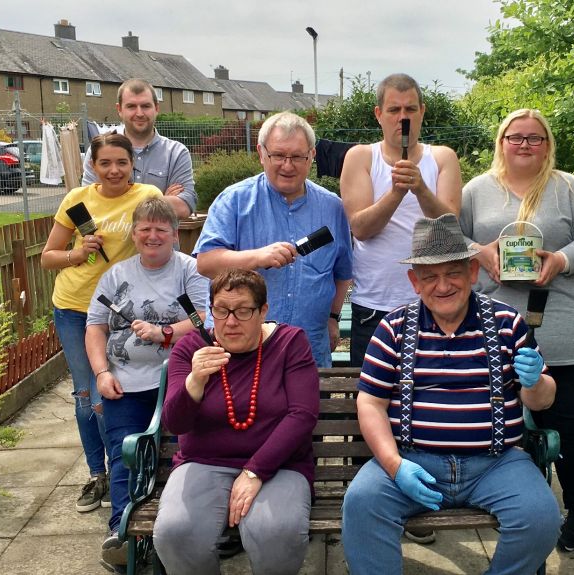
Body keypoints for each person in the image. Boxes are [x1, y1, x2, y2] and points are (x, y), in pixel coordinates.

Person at [341, 214, 561, 574]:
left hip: (496, 464)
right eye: (429, 276)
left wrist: (535, 380)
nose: (442, 286)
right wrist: (395, 466)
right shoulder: (393, 328)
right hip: (414, 461)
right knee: (362, 504)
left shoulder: (508, 323)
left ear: (473, 273)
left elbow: (541, 401)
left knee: (540, 518)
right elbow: (370, 403)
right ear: (414, 282)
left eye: (453, 273)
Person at [459, 109, 574, 551]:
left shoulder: (570, 188)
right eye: (515, 137)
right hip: (496, 324)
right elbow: (452, 235)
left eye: (535, 138)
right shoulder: (475, 191)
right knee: (499, 422)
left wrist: (560, 260)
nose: (525, 145)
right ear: (501, 141)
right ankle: (512, 503)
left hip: (564, 321)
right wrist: (480, 253)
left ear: (548, 144)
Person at [153, 269, 320, 575]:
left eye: (243, 311)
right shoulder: (191, 348)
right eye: (221, 310)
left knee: (276, 530)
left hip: (280, 465)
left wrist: (255, 470)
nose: (230, 321)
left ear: (263, 311)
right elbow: (175, 423)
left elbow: (302, 414)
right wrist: (195, 381)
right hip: (203, 460)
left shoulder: (289, 343)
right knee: (175, 532)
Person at [85, 197, 209, 571]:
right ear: (135, 234)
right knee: (126, 453)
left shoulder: (190, 271)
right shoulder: (116, 276)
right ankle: (124, 534)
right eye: (144, 229)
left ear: (175, 234)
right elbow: (95, 326)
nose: (152, 236)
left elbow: (205, 318)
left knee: (179, 457)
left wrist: (164, 331)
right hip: (124, 383)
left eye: (161, 229)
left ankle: (183, 530)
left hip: (180, 380)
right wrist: (102, 372)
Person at [41, 132, 162, 515]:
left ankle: (123, 470)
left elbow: (162, 232)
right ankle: (99, 475)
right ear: (93, 165)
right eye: (105, 163)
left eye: (121, 163)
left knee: (110, 394)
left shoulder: (146, 198)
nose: (113, 170)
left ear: (133, 165)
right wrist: (77, 254)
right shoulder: (76, 201)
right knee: (85, 395)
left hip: (124, 313)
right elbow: (48, 257)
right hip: (75, 308)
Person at [194, 111, 353, 368]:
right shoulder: (234, 201)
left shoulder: (333, 208)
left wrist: (333, 317)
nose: (287, 165)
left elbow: (342, 273)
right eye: (278, 155)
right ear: (261, 153)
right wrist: (257, 257)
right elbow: (206, 262)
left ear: (311, 156)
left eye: (297, 157)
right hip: (241, 346)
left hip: (307, 347)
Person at [340, 73, 462, 369]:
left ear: (422, 112)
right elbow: (361, 228)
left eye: (410, 109)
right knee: (371, 399)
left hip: (435, 303)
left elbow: (449, 228)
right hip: (374, 306)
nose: (402, 118)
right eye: (394, 110)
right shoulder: (361, 157)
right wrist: (396, 192)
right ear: (379, 115)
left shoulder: (443, 158)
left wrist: (420, 188)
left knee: (432, 398)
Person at [82, 78, 196, 219]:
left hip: (158, 241)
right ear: (119, 109)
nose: (139, 113)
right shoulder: (100, 150)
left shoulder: (176, 153)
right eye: (131, 106)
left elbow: (184, 207)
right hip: (106, 241)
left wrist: (112, 203)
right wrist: (159, 201)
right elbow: (87, 204)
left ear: (156, 108)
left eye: (145, 106)